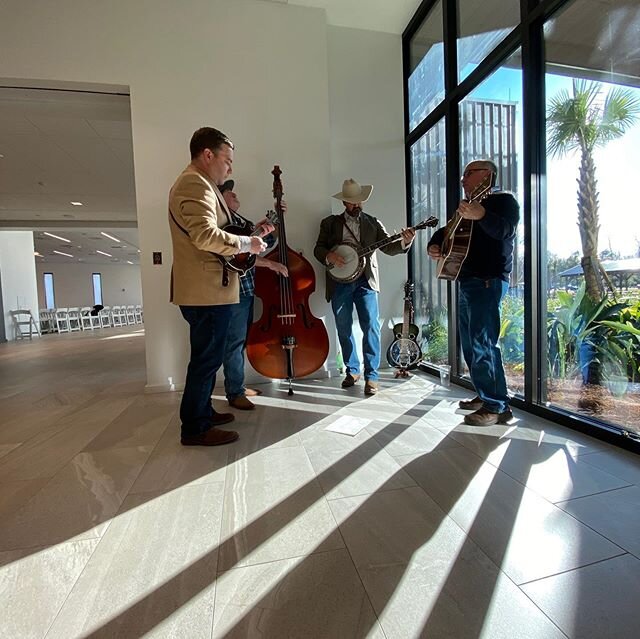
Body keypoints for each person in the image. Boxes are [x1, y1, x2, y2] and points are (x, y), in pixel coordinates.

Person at [168, 127, 271, 446]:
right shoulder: (193, 183)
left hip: (211, 289)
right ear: (207, 154)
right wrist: (246, 243)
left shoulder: (202, 185)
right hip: (206, 291)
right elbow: (204, 235)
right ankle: (195, 427)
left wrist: (250, 238)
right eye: (227, 160)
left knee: (208, 356)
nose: (230, 167)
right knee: (206, 359)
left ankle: (204, 411)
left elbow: (214, 231)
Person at [427, 159, 519, 426]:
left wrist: (481, 215)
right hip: (467, 282)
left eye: (469, 173)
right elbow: (445, 233)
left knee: (484, 344)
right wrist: (434, 245)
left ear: (487, 176)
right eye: (463, 173)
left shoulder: (504, 201)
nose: (463, 178)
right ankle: (484, 394)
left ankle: (497, 407)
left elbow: (507, 230)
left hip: (488, 281)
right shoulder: (464, 209)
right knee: (470, 344)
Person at [314, 178, 415, 395]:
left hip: (366, 281)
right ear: (344, 203)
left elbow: (388, 246)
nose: (356, 205)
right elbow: (318, 249)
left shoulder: (373, 223)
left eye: (359, 201)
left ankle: (372, 376)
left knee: (371, 326)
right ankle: (352, 370)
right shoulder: (329, 223)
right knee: (343, 326)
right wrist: (330, 255)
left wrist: (406, 241)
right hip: (339, 282)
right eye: (352, 202)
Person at [219, 179, 288, 410]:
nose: (235, 194)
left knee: (240, 341)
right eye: (229, 192)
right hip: (233, 292)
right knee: (234, 342)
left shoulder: (240, 222)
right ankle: (235, 392)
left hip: (246, 290)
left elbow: (259, 246)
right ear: (220, 199)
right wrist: (271, 265)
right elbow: (238, 256)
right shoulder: (222, 225)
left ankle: (236, 386)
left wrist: (272, 225)